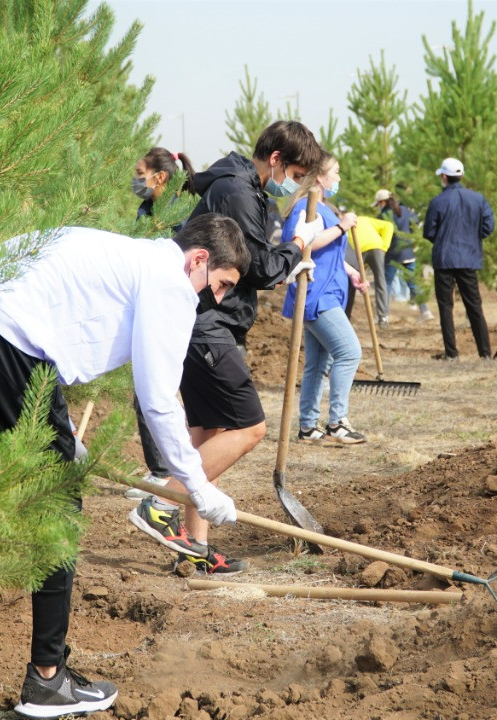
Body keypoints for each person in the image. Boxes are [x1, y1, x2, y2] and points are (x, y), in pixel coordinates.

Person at [0, 214, 248, 718]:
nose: (218, 298)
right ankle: (47, 681)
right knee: (60, 511)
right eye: (222, 284)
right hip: (4, 338)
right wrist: (196, 484)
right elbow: (159, 399)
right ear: (200, 259)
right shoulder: (170, 280)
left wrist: (62, 427)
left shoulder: (125, 256)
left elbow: (56, 323)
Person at [127, 120, 324, 575]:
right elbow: (257, 268)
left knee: (209, 436)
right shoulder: (238, 190)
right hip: (209, 326)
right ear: (276, 159)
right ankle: (160, 502)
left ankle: (195, 550)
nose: (295, 184)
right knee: (249, 428)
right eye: (295, 173)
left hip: (203, 324)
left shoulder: (238, 184)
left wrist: (292, 256)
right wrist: (298, 245)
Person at [126, 146, 197, 500]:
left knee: (154, 387)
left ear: (161, 176)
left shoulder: (177, 214)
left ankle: (165, 472)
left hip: (168, 306)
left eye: (140, 172)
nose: (135, 179)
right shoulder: (147, 210)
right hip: (146, 303)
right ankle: (164, 469)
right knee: (150, 387)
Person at [282, 155, 368, 444]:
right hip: (316, 296)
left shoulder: (322, 206)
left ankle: (307, 426)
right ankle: (337, 422)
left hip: (327, 292)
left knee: (319, 363)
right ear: (319, 176)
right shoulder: (306, 207)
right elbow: (302, 243)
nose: (338, 179)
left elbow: (326, 253)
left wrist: (351, 270)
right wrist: (342, 226)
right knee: (349, 352)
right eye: (336, 173)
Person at [423, 157, 494, 360]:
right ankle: (485, 353)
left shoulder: (437, 202)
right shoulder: (478, 199)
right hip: (469, 258)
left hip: (444, 259)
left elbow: (429, 232)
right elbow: (488, 227)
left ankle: (452, 353)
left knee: (446, 306)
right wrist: (471, 238)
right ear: (461, 175)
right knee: (474, 306)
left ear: (444, 177)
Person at [377, 189, 432, 321]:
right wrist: (411, 238)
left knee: (386, 285)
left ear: (383, 202)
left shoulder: (383, 216)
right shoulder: (405, 210)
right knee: (413, 284)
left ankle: (383, 316)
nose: (378, 206)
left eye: (379, 203)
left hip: (392, 254)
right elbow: (416, 224)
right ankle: (425, 312)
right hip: (408, 252)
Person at [343, 213, 393, 326]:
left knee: (353, 281)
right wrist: (384, 245)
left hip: (361, 249)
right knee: (381, 281)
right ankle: (383, 317)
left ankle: (346, 316)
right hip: (375, 247)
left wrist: (384, 246)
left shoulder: (345, 224)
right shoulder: (365, 218)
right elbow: (388, 225)